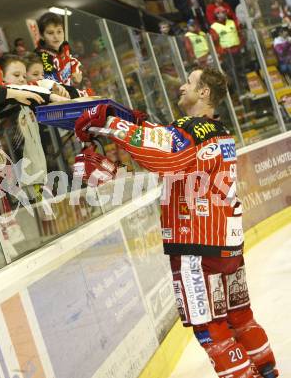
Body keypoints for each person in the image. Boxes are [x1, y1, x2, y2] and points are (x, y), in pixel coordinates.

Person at [74, 66, 279, 378]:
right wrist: (129, 128)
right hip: (227, 242)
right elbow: (161, 151)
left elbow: (163, 157)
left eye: (189, 82)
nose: (182, 87)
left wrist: (111, 123)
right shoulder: (219, 131)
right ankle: (267, 371)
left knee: (209, 328)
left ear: (204, 92)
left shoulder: (190, 128)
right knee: (239, 316)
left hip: (196, 244)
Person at [35, 12, 82, 86]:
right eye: (50, 33)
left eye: (59, 31)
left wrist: (75, 73)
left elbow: (72, 62)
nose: (56, 36)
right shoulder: (41, 56)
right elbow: (53, 84)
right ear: (42, 36)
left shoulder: (65, 46)